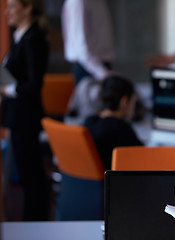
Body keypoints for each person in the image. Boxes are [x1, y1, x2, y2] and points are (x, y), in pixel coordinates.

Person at [0, 0, 50, 221]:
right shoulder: (18, 36)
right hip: (16, 114)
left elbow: (34, 83)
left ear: (28, 8)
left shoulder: (33, 39)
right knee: (26, 172)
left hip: (26, 116)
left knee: (31, 176)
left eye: (12, 6)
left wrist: (6, 88)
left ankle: (34, 225)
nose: (6, 11)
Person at [83, 75, 143, 170]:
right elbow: (143, 157)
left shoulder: (89, 121)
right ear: (125, 101)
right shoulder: (121, 128)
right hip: (115, 182)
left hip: (91, 182)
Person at [61, 0, 115, 84]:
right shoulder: (78, 2)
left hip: (102, 65)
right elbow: (80, 47)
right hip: (88, 67)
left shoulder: (98, 2)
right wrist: (102, 72)